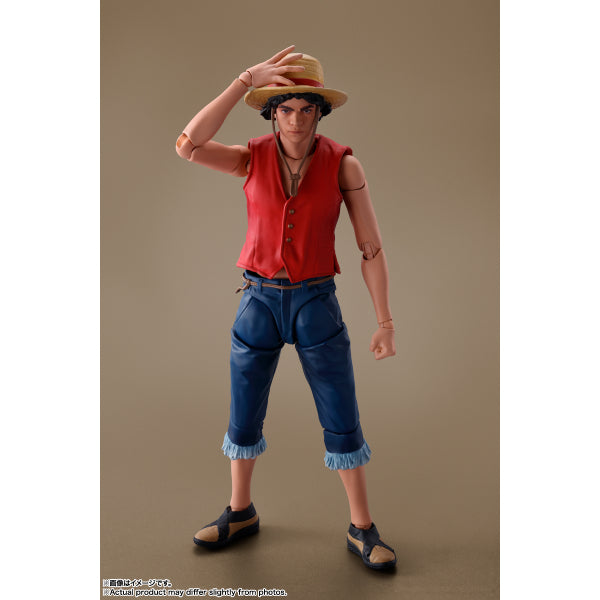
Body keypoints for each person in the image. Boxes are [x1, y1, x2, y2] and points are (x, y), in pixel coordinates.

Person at [175, 46, 397, 570]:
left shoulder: (343, 164)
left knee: (340, 411)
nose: (296, 119)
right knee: (244, 408)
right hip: (258, 299)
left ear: (321, 113)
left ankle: (362, 526)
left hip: (316, 300)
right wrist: (243, 81)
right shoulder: (251, 157)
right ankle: (240, 510)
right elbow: (187, 145)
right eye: (286, 108)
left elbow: (370, 247)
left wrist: (385, 320)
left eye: (306, 109)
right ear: (272, 113)